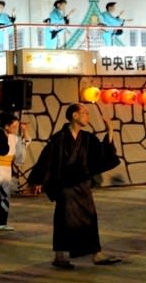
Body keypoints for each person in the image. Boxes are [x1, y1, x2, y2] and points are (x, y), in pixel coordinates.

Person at [27, 103, 122, 269]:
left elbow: (102, 154)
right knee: (64, 220)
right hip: (65, 186)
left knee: (90, 218)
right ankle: (59, 256)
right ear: (74, 116)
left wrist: (110, 131)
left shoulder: (87, 138)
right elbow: (46, 160)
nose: (88, 116)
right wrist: (37, 181)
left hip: (82, 185)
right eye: (85, 113)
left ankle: (96, 254)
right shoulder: (58, 139)